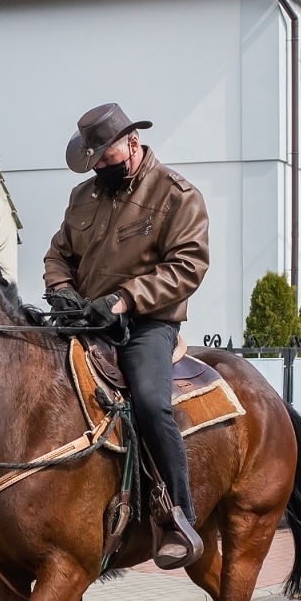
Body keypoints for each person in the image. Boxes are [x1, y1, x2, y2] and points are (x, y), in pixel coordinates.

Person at [43, 103, 210, 569]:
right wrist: (62, 292)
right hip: (86, 319)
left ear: (132, 144)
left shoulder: (177, 195)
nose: (99, 168)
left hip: (146, 324)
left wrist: (121, 301)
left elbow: (187, 266)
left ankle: (179, 516)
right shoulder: (83, 196)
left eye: (106, 158)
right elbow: (58, 254)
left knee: (152, 401)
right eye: (92, 161)